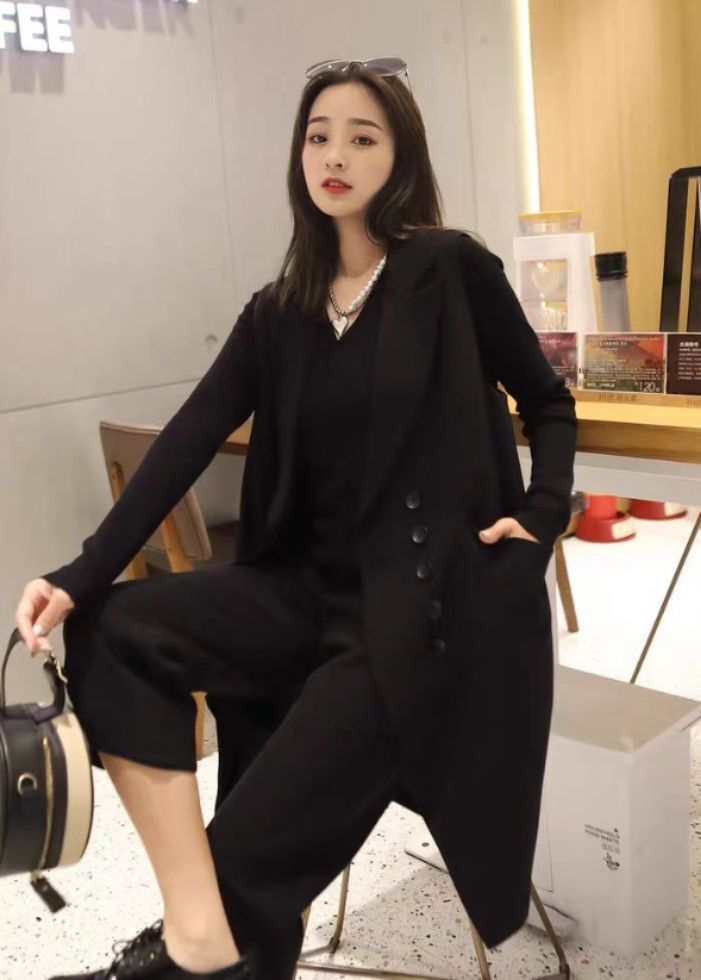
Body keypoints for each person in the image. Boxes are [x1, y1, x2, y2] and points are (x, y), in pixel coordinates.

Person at [14, 59, 578, 980]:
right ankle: (195, 933)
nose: (335, 156)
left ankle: (189, 948)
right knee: (115, 629)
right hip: (301, 596)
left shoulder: (448, 271)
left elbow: (547, 401)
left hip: (416, 617)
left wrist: (541, 514)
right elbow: (186, 440)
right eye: (319, 136)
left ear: (399, 158)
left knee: (254, 848)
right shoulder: (278, 311)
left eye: (362, 137)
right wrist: (78, 576)